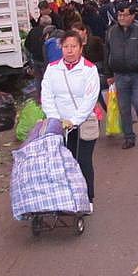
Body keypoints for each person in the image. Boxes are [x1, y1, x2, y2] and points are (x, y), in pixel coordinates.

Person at [41, 31, 100, 204]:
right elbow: (47, 95)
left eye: (73, 46)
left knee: (82, 161)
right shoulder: (52, 69)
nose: (69, 50)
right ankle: (67, 196)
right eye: (66, 46)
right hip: (59, 124)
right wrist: (55, 119)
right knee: (63, 161)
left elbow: (90, 98)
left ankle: (87, 198)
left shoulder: (89, 69)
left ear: (81, 48)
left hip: (83, 123)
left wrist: (74, 121)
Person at [105, 5, 138, 150]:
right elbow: (107, 53)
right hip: (119, 75)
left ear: (132, 16)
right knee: (124, 108)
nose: (121, 18)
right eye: (119, 15)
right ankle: (129, 137)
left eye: (125, 15)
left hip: (137, 74)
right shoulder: (111, 32)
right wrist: (109, 74)